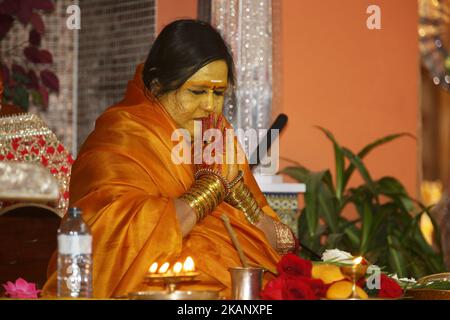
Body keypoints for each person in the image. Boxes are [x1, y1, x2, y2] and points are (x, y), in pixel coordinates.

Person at [42, 19, 297, 299]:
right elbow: (113, 241)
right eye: (197, 92)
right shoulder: (122, 135)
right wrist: (209, 190)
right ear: (157, 85)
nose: (210, 106)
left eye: (219, 93)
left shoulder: (216, 136)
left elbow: (284, 243)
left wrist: (239, 195)